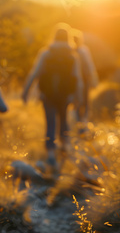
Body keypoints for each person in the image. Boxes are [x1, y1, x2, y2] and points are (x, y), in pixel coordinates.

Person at [22, 23, 83, 167]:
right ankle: (64, 150)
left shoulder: (46, 53)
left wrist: (26, 92)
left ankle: (51, 155)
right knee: (64, 120)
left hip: (47, 95)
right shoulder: (72, 56)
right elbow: (78, 79)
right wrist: (78, 98)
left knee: (50, 122)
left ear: (54, 37)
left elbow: (35, 73)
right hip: (65, 96)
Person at [72, 29, 98, 131]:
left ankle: (80, 123)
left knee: (78, 102)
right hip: (84, 80)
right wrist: (94, 80)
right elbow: (90, 66)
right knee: (85, 102)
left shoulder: (71, 51)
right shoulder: (83, 50)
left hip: (76, 82)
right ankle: (84, 123)